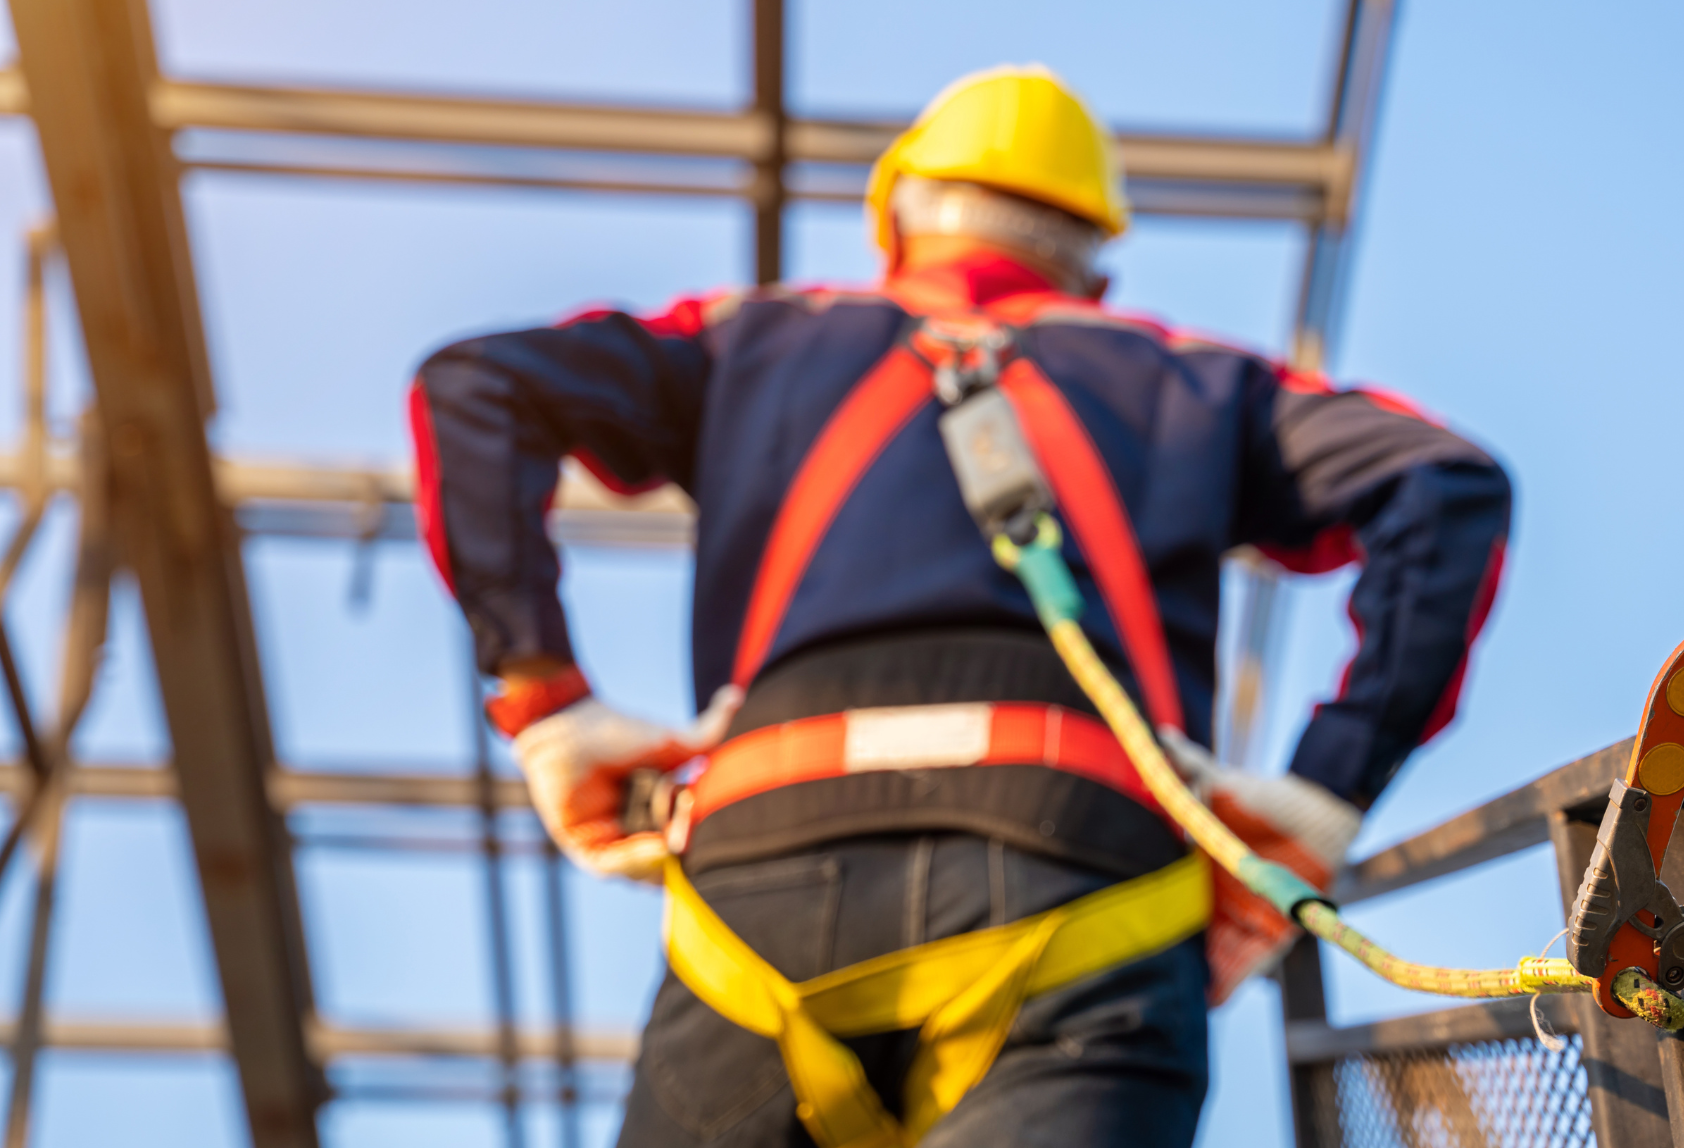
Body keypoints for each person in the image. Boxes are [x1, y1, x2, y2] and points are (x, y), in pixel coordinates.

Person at [409, 64, 1512, 1148]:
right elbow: (1442, 483)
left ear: (894, 223)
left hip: (763, 872)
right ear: (1092, 267)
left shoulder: (750, 338)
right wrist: (1328, 786)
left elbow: (473, 387)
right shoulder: (1199, 380)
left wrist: (544, 695)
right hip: (1081, 872)